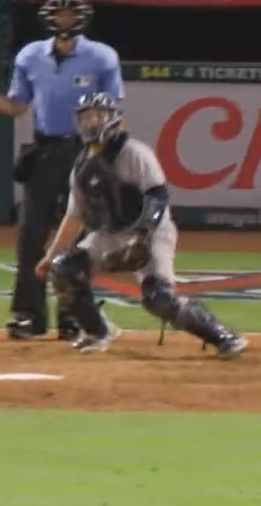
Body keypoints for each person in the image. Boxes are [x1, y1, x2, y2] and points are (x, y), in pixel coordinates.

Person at [34, 93, 248, 359]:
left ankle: (222, 336)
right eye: (87, 117)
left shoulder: (134, 152)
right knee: (64, 270)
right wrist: (51, 255)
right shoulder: (81, 165)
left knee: (159, 298)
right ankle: (97, 331)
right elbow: (74, 217)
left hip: (152, 230)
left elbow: (157, 195)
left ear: (115, 119)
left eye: (99, 115)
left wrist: (143, 234)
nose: (92, 122)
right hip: (109, 233)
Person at [0, 0, 123, 342]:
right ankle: (28, 315)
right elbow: (18, 106)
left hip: (86, 150)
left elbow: (114, 109)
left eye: (70, 15)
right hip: (45, 151)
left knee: (79, 239)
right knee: (31, 236)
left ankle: (75, 315)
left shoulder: (102, 56)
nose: (64, 21)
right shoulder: (30, 55)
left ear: (81, 19)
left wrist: (108, 154)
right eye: (60, 15)